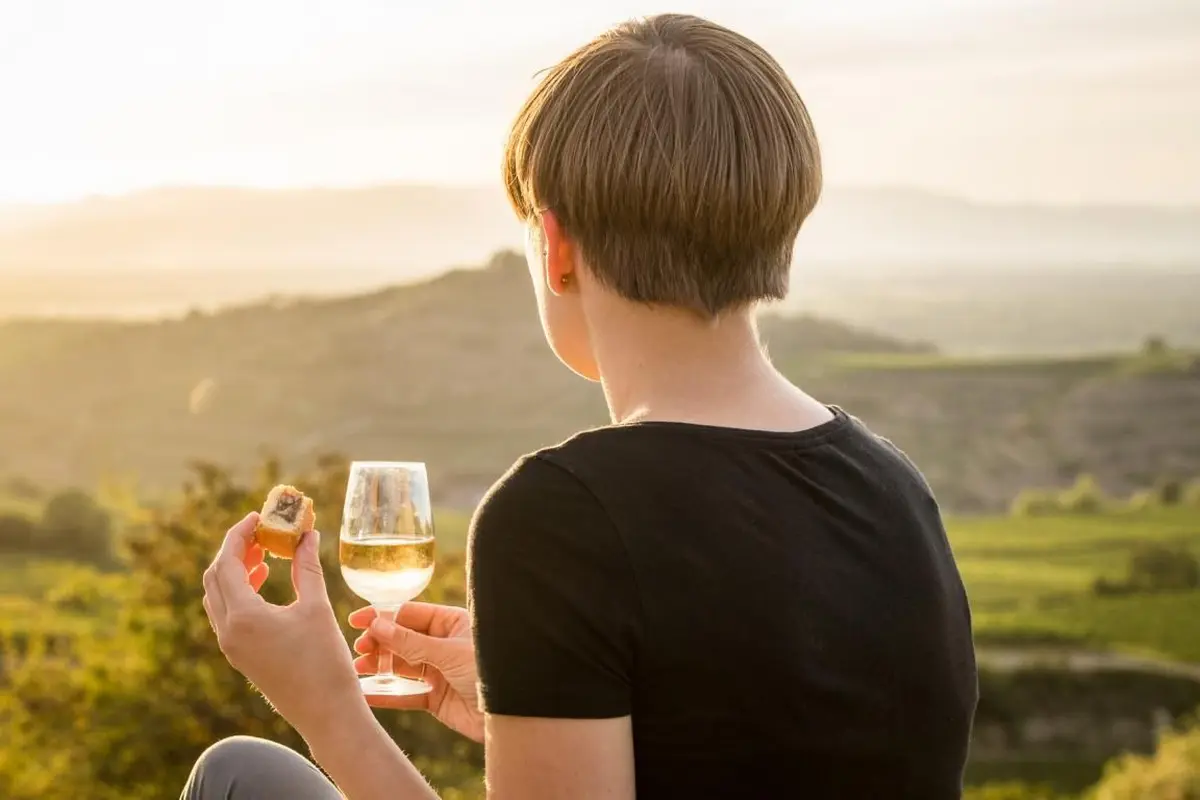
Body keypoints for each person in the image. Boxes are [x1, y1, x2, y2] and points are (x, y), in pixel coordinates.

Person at [187, 12, 978, 800]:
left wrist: (326, 707)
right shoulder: (896, 489)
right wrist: (531, 705)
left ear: (557, 247)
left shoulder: (563, 520)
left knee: (239, 776)